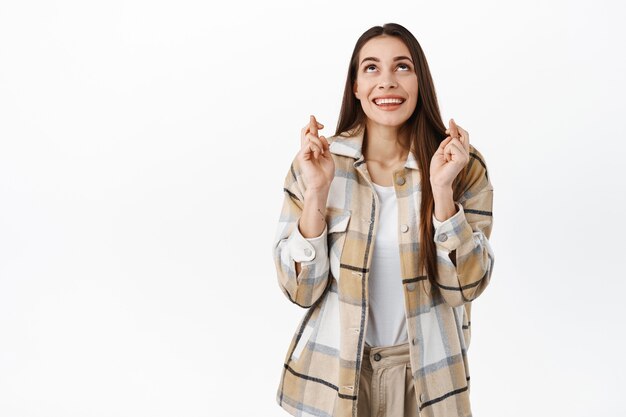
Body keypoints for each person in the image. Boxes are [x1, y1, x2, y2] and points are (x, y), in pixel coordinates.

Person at [272, 23, 495, 417]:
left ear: (420, 80)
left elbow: (467, 286)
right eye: (371, 68)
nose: (387, 82)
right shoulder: (317, 164)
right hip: (334, 378)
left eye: (402, 67)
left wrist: (441, 193)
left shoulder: (460, 165)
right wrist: (317, 195)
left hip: (426, 380)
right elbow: (299, 291)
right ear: (355, 86)